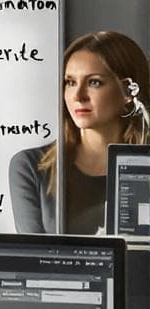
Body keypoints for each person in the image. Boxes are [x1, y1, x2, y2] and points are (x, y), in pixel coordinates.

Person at [8, 29, 150, 234]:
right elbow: (34, 260)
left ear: (129, 92)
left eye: (94, 82)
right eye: (70, 82)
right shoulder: (30, 167)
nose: (77, 96)